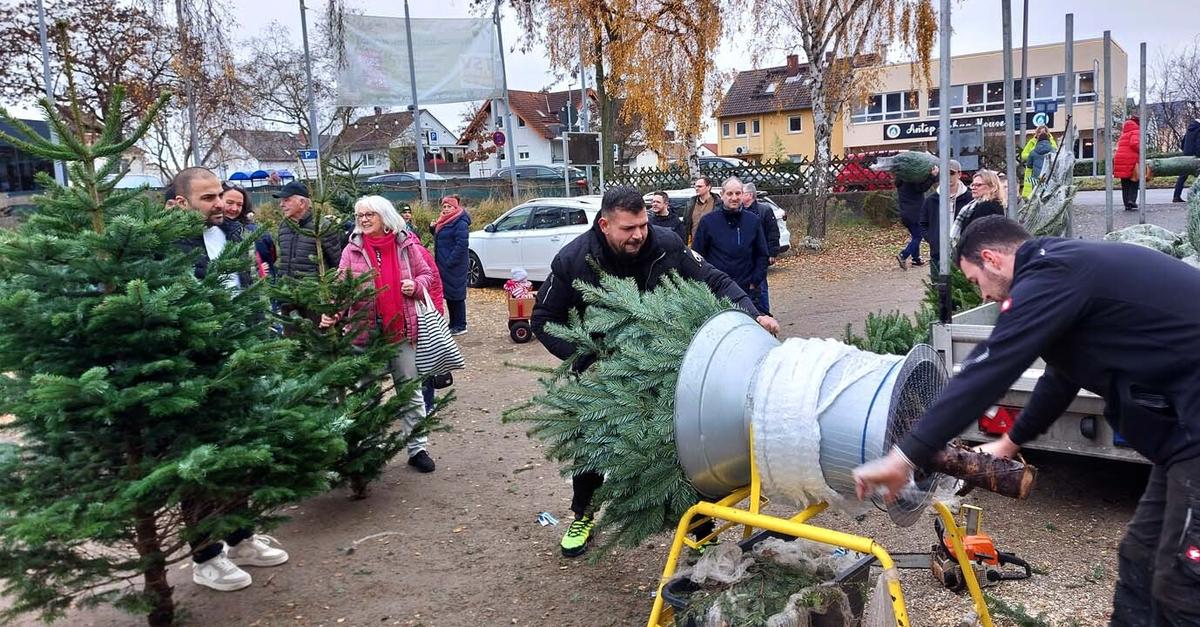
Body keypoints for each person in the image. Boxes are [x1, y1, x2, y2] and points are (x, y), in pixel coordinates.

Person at [852, 215, 1200, 626]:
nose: (979, 292)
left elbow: (991, 366)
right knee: (1140, 557)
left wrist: (905, 456)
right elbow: (1061, 378)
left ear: (991, 259)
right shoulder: (1062, 271)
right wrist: (1010, 442)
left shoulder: (1052, 274)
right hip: (1182, 444)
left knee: (1184, 583)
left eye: (975, 279)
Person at [531, 185, 779, 557]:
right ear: (604, 225)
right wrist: (588, 360)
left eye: (643, 225)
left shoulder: (666, 243)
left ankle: (699, 529)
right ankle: (583, 513)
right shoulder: (573, 260)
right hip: (602, 372)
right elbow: (543, 318)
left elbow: (715, 278)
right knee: (593, 445)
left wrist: (752, 312)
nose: (638, 235)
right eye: (628, 229)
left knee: (679, 449)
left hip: (662, 365)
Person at [170, 167, 289, 592]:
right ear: (180, 204)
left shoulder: (236, 234)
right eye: (208, 198)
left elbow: (251, 294)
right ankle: (206, 557)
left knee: (239, 454)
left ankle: (240, 540)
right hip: (196, 374)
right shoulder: (167, 247)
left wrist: (261, 344)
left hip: (241, 361)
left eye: (220, 194)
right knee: (200, 466)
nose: (220, 203)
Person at [321, 195, 437, 473]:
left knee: (410, 391)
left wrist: (415, 285)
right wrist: (333, 313)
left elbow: (427, 275)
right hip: (363, 331)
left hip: (402, 330)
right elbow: (342, 285)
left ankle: (417, 448)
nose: (363, 219)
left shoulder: (405, 244)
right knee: (366, 393)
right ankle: (370, 448)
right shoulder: (353, 249)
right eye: (360, 215)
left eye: (369, 214)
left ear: (385, 216)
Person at [692, 177, 771, 315]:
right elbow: (697, 257)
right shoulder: (708, 222)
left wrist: (755, 282)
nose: (734, 198)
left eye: (738, 193)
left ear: (742, 194)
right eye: (729, 194)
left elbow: (762, 254)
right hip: (717, 291)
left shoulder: (753, 221)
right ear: (722, 195)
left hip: (747, 291)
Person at [274, 181, 346, 327]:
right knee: (292, 343)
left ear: (301, 202)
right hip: (289, 297)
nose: (281, 204)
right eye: (281, 201)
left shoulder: (322, 227)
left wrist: (331, 298)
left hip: (315, 300)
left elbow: (336, 264)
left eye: (286, 200)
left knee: (318, 342)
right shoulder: (283, 226)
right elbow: (282, 259)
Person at [920, 160, 972, 273]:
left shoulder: (970, 198)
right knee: (938, 287)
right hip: (938, 253)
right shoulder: (931, 200)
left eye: (951, 173)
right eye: (944, 174)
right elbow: (923, 223)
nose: (948, 177)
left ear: (959, 174)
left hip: (964, 254)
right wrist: (932, 239)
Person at [433, 196, 471, 336]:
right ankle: (453, 323)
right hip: (444, 264)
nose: (446, 209)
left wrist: (450, 261)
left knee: (457, 294)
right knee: (449, 294)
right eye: (444, 206)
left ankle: (461, 324)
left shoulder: (460, 221)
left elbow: (462, 244)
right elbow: (442, 239)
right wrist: (433, 228)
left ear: (456, 208)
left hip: (455, 265)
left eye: (449, 207)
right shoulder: (443, 221)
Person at [222, 183, 276, 279]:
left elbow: (269, 259)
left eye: (239, 205)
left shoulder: (253, 232)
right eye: (229, 203)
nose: (234, 208)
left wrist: (257, 269)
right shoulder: (207, 231)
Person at [948, 169, 1006, 250]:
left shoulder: (988, 206)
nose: (973, 188)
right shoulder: (975, 204)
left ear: (992, 187)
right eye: (973, 185)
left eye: (978, 185)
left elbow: (980, 235)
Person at [895, 162, 938, 269]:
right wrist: (932, 176)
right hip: (914, 213)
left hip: (905, 214)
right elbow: (921, 188)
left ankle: (916, 260)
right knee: (918, 236)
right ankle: (903, 255)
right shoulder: (910, 180)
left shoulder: (900, 181)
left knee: (915, 235)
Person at [740, 182, 781, 264]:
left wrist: (772, 253)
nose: (739, 196)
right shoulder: (738, 211)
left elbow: (772, 233)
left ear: (750, 195)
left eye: (742, 193)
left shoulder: (764, 210)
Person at [1112, 115, 1142, 211]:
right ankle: (1131, 200)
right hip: (1131, 159)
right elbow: (1134, 144)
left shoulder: (1124, 134)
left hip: (1120, 159)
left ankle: (1126, 204)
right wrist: (1142, 151)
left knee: (1125, 183)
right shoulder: (1136, 131)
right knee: (1134, 180)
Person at [1020, 125, 1058, 199]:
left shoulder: (1034, 150)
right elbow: (1055, 155)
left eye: (1044, 132)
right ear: (1036, 133)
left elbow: (1028, 162)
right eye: (1039, 132)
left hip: (1035, 174)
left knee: (1035, 193)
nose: (1041, 133)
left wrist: (1033, 155)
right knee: (1047, 193)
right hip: (1048, 174)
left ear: (1047, 133)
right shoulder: (1033, 142)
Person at [682, 176, 721, 244]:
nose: (696, 189)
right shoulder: (690, 204)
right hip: (695, 244)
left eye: (699, 186)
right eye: (695, 187)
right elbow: (686, 225)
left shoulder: (718, 204)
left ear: (708, 187)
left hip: (713, 244)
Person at [1173, 118, 1200, 203]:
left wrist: (1185, 151)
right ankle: (1195, 196)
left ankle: (1176, 196)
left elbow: (1183, 141)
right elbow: (1198, 143)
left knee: (1182, 176)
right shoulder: (1199, 129)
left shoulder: (1190, 128)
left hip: (1187, 154)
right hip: (1196, 156)